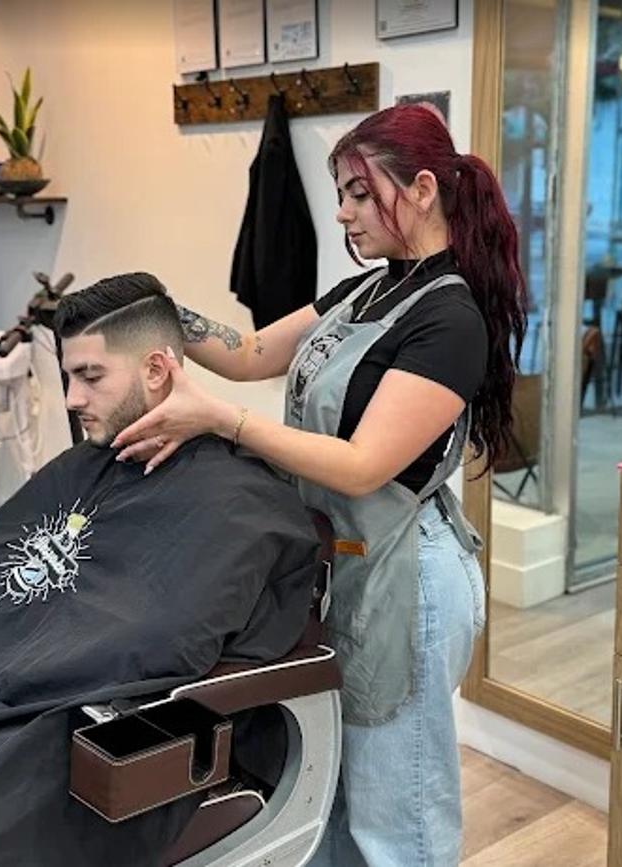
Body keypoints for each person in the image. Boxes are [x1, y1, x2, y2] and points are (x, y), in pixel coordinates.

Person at [112, 104, 528, 866]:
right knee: (335, 795)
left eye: (359, 193)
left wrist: (221, 420)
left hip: (407, 581)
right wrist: (155, 309)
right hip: (346, 568)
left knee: (397, 817)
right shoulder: (362, 293)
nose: (342, 212)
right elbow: (250, 351)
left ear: (423, 189)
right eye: (341, 194)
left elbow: (363, 463)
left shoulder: (450, 320)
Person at [0, 272, 320, 867]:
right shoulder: (87, 464)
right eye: (69, 376)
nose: (72, 399)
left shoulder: (240, 505)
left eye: (91, 376)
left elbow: (155, 645)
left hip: (60, 732)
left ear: (155, 369)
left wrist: (17, 667)